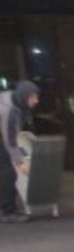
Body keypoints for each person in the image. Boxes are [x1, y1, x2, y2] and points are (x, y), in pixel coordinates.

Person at [2, 80, 40, 223]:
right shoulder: (9, 109)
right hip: (3, 142)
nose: (36, 101)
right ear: (24, 97)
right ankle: (7, 212)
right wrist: (20, 162)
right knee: (9, 174)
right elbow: (9, 139)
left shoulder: (14, 102)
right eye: (33, 97)